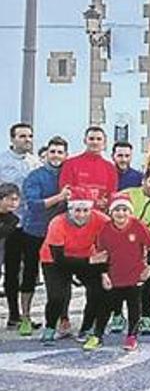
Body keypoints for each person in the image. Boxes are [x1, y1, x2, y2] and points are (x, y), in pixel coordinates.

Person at [39, 189, 109, 344]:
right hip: (54, 260)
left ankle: (87, 327)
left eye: (86, 210)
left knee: (97, 290)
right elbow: (59, 260)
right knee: (57, 296)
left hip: (85, 255)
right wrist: (90, 261)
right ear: (70, 210)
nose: (82, 215)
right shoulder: (57, 223)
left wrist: (104, 272)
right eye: (77, 210)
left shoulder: (102, 220)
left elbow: (108, 247)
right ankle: (50, 327)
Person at [90, 193, 150, 352]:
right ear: (111, 212)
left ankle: (132, 336)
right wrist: (104, 274)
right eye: (117, 209)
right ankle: (97, 335)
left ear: (130, 211)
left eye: (125, 209)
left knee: (134, 308)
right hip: (114, 276)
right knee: (105, 308)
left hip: (134, 276)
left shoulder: (138, 226)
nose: (121, 213)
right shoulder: (105, 230)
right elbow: (101, 256)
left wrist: (149, 268)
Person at [18, 136, 69, 335]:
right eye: (53, 151)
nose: (56, 156)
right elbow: (34, 204)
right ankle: (25, 318)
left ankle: (62, 317)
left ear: (66, 155)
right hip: (35, 231)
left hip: (61, 234)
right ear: (46, 153)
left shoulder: (68, 174)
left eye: (60, 152)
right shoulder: (35, 176)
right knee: (29, 274)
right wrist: (59, 197)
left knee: (60, 277)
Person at [0, 123, 41, 323]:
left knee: (31, 270)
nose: (27, 140)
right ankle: (13, 313)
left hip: (30, 223)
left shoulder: (35, 163)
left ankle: (27, 313)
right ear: (12, 139)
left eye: (30, 136)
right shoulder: (2, 161)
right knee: (11, 269)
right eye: (22, 136)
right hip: (8, 224)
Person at [121, 170, 150, 334]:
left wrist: (144, 246)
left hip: (144, 245)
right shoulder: (128, 194)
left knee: (146, 278)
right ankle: (117, 315)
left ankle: (145, 316)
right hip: (121, 242)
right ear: (144, 181)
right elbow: (116, 216)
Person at [58, 126, 117, 211]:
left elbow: (112, 195)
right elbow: (66, 191)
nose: (95, 142)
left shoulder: (110, 168)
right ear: (85, 141)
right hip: (76, 213)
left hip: (100, 215)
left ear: (104, 143)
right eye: (91, 139)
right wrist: (92, 201)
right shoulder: (70, 164)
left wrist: (106, 202)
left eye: (99, 139)